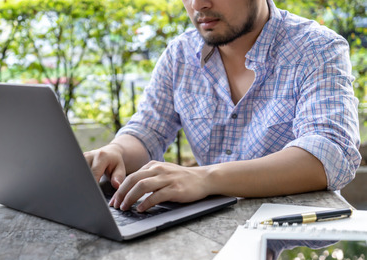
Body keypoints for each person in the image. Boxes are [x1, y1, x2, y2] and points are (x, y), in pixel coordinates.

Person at [84, 0, 361, 212]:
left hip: (297, 235)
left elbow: (331, 154)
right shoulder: (180, 55)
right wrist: (115, 152)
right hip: (210, 234)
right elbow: (148, 130)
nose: (197, 5)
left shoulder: (317, 48)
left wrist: (205, 178)